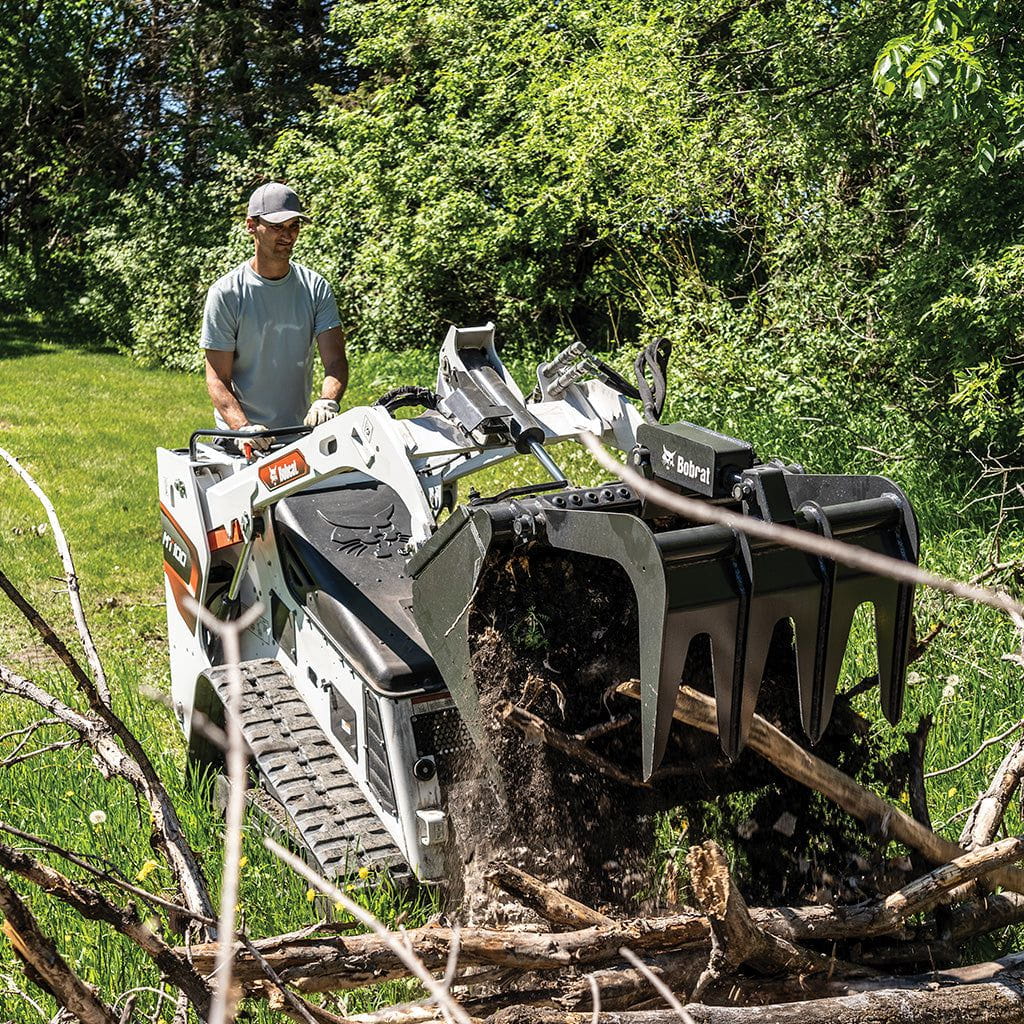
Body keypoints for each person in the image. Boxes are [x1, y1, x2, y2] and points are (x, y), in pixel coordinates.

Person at [201, 181, 347, 451]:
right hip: (239, 438)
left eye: (294, 226)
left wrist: (327, 401)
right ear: (251, 226)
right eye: (277, 226)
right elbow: (217, 378)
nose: (288, 236)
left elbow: (336, 360)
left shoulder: (315, 287)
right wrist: (244, 429)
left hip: (298, 434)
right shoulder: (227, 293)